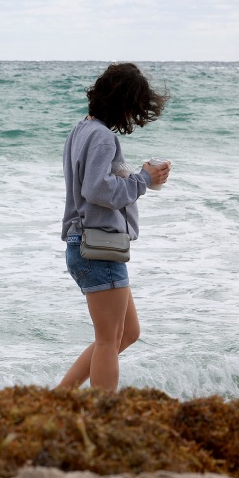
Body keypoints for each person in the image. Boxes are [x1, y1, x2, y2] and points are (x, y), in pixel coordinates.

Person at [56, 63, 170, 392]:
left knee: (128, 332)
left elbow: (93, 186)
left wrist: (139, 177)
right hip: (99, 245)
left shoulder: (82, 130)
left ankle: (60, 397)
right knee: (108, 340)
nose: (135, 117)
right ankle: (103, 414)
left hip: (85, 243)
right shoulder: (103, 137)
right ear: (124, 102)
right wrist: (144, 180)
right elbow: (98, 191)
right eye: (136, 107)